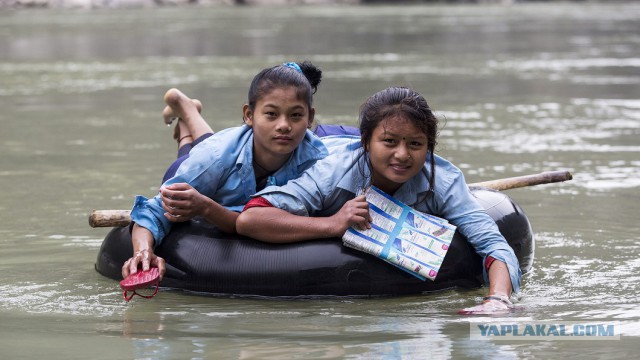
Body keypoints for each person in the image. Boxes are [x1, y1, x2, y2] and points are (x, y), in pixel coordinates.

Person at [236, 86, 522, 314]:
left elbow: (494, 245)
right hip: (326, 144)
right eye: (389, 142)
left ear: (428, 147)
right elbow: (252, 217)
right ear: (366, 141)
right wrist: (333, 224)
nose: (402, 155)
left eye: (415, 144)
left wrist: (497, 299)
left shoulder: (443, 181)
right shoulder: (332, 170)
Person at [122, 61, 332, 281]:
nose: (284, 126)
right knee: (199, 153)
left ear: (310, 118)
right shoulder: (214, 158)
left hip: (228, 156)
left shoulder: (318, 159)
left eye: (296, 116)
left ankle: (188, 111)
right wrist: (142, 252)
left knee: (214, 146)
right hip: (203, 171)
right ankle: (185, 112)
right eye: (271, 114)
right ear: (249, 115)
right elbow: (153, 211)